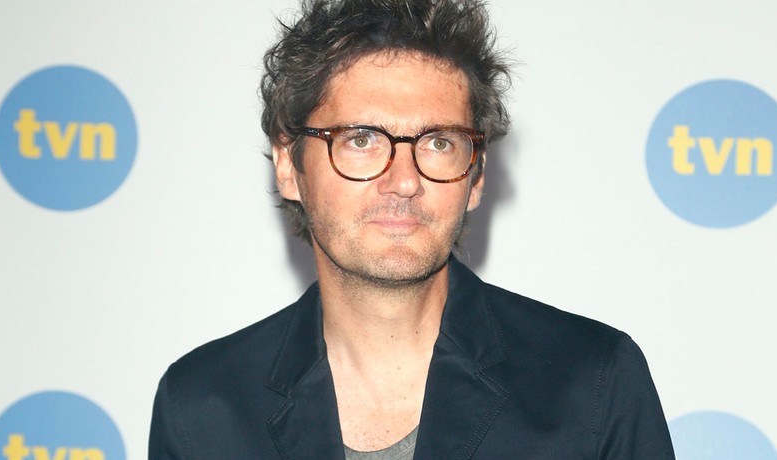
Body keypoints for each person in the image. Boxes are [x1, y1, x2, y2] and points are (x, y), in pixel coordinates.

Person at [149, 0, 676, 458]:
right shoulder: (201, 408)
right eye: (360, 140)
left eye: (439, 143)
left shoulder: (593, 384)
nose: (404, 181)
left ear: (475, 177)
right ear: (289, 166)